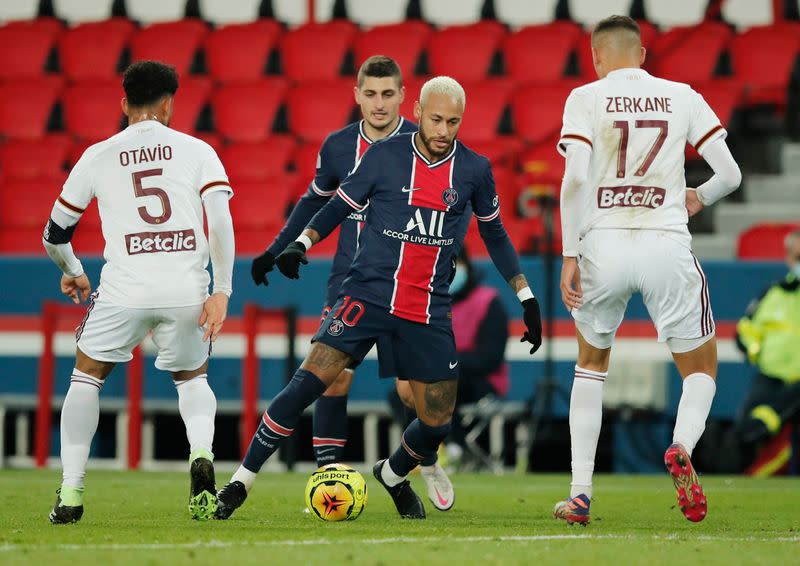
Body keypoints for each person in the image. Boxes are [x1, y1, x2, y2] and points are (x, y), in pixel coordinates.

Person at [215, 76, 543, 520]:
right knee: (309, 381)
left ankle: (392, 472)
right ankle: (239, 482)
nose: (443, 130)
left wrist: (525, 296)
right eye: (435, 119)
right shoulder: (385, 156)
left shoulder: (474, 170)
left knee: (437, 421)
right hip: (366, 295)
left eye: (452, 122)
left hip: (427, 309)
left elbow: (495, 233)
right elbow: (337, 205)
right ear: (419, 112)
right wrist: (301, 243)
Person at [554, 15, 741, 525]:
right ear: (642, 55)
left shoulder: (584, 98)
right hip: (665, 243)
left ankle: (580, 494)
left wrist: (570, 253)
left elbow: (573, 181)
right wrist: (698, 197)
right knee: (701, 370)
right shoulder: (682, 94)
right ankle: (681, 444)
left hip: (603, 244)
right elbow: (730, 174)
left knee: (590, 365)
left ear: (596, 59)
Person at [249, 55, 454, 510]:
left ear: (405, 97)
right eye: (370, 93)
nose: (379, 104)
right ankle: (329, 480)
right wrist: (277, 247)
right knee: (333, 378)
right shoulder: (339, 147)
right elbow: (313, 204)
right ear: (356, 95)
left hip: (411, 286)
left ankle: (421, 462)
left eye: (388, 94)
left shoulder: (427, 144)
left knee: (412, 392)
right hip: (350, 283)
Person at [42, 61, 234, 523]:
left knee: (86, 377)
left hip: (123, 289)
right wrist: (222, 289)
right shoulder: (197, 150)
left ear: (124, 103)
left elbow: (53, 233)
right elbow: (221, 222)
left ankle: (71, 492)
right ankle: (202, 456)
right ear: (170, 104)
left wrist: (73, 270)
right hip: (186, 288)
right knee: (193, 379)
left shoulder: (97, 155)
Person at [389, 246, 510, 467]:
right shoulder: (428, 305)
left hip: (480, 382)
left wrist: (444, 363)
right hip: (438, 375)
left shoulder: (488, 301)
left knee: (442, 381)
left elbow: (490, 358)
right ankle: (425, 448)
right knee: (403, 390)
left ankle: (451, 447)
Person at [731, 229, 800, 474]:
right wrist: (756, 350)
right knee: (746, 429)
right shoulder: (773, 294)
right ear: (789, 259)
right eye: (797, 257)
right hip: (771, 378)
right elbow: (745, 332)